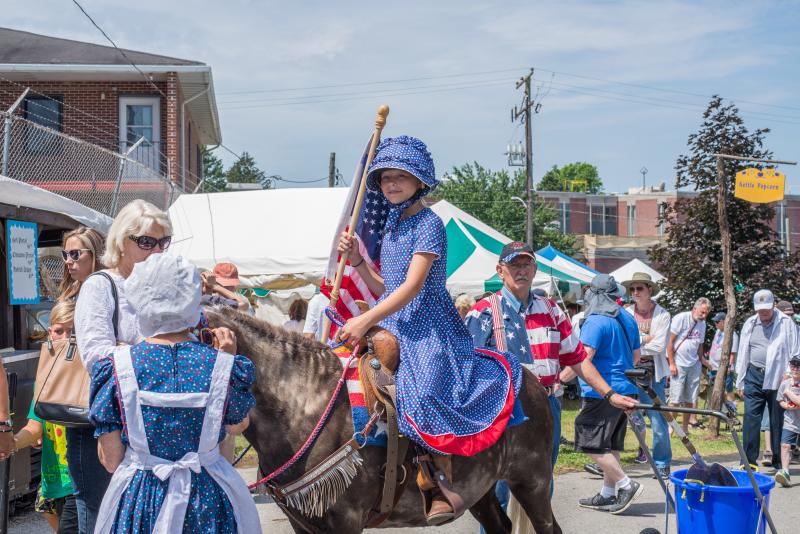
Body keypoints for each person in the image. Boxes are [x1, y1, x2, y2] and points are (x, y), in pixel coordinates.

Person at [335, 136, 523, 525]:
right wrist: (356, 261)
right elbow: (386, 286)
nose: (391, 184)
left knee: (420, 391)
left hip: (429, 325)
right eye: (385, 178)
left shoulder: (430, 224)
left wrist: (366, 318)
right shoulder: (392, 225)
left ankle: (437, 481)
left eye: (400, 176)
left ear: (420, 180)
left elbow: (412, 286)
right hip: (395, 320)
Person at [89, 253, 260, 533]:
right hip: (207, 500)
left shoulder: (117, 368)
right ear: (192, 300)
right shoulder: (221, 363)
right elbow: (237, 425)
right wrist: (226, 361)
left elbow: (110, 460)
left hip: (142, 499)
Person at [466, 243, 636, 515]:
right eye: (514, 265)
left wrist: (609, 394)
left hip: (547, 406)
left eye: (526, 265)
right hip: (504, 411)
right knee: (497, 487)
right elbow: (468, 366)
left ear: (535, 270)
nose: (520, 271)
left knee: (541, 485)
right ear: (500, 271)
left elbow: (578, 358)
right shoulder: (484, 311)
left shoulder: (551, 310)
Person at [563, 274, 642, 514]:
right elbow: (636, 356)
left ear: (593, 295)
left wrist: (559, 380)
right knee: (610, 444)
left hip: (603, 392)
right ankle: (608, 494)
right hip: (627, 388)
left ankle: (626, 484)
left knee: (588, 439)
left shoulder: (596, 321)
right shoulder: (627, 318)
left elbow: (583, 358)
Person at [14, 302, 78, 532]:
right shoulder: (44, 380)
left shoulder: (87, 373)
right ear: (50, 333)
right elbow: (35, 427)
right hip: (53, 483)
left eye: (73, 331)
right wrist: (11, 443)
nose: (66, 338)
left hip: (78, 482)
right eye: (60, 331)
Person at [735, 289, 800, 469]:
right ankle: (748, 462)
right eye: (759, 309)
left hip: (778, 376)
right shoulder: (750, 323)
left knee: (777, 419)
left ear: (773, 305)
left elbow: (795, 351)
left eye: (766, 309)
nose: (762, 313)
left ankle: (779, 461)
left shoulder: (787, 323)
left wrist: (789, 375)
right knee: (750, 418)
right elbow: (742, 353)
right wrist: (740, 381)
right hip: (753, 375)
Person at [622, 272, 672, 479]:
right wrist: (645, 338)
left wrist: (636, 342)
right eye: (632, 289)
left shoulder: (662, 315)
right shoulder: (625, 312)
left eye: (639, 288)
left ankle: (661, 463)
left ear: (649, 290)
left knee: (657, 420)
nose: (635, 292)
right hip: (628, 372)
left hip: (653, 374)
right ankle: (610, 462)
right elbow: (623, 340)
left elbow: (660, 346)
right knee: (620, 416)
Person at [667, 298, 712, 433]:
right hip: (679, 363)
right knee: (675, 399)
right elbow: (669, 342)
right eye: (702, 312)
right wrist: (672, 364)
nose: (704, 316)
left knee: (690, 399)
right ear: (695, 309)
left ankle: (685, 428)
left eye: (706, 313)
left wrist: (703, 360)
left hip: (694, 364)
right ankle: (671, 428)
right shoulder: (681, 318)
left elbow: (699, 344)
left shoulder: (703, 324)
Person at [57, 227, 106, 302]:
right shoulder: (69, 293)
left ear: (95, 254)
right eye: (65, 254)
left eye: (74, 253)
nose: (67, 261)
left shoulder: (108, 292)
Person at [774, 357, 800, 487]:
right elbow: (780, 400)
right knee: (785, 445)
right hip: (790, 420)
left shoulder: (787, 389)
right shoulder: (785, 384)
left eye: (798, 366)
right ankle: (785, 472)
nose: (795, 368)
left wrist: (789, 393)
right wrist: (786, 406)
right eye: (793, 365)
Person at [707, 311, 739, 413]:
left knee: (728, 390)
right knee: (716, 390)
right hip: (714, 367)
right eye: (715, 322)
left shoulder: (732, 334)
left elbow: (733, 353)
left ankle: (732, 411)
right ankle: (719, 410)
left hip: (725, 367)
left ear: (725, 321)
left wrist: (729, 366)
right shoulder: (718, 332)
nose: (715, 324)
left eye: (717, 321)